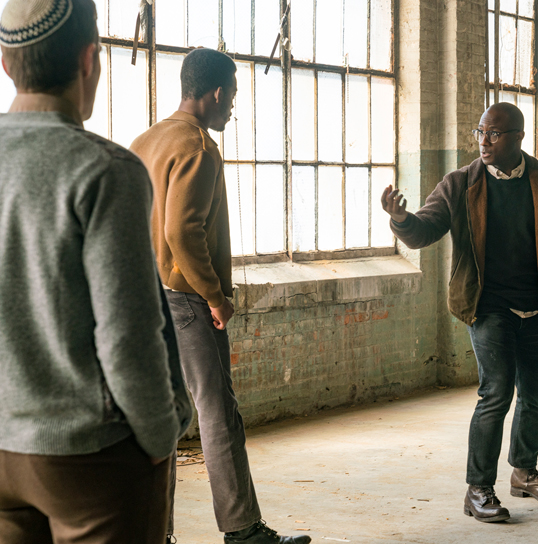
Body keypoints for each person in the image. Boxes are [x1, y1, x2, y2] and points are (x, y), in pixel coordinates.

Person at [381, 102, 538, 523]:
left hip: (537, 304)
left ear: (518, 137)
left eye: (494, 134)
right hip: (487, 306)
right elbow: (425, 229)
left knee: (536, 395)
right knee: (496, 393)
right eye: (480, 132)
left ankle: (523, 471)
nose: (484, 141)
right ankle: (478, 488)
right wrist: (401, 219)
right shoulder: (461, 183)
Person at [0, 0, 192, 542]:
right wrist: (159, 438)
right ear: (90, 59)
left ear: (7, 63)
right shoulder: (105, 171)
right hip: (87, 455)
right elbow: (127, 336)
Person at [130, 48, 309, 544]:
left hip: (145, 301)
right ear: (215, 93)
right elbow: (182, 232)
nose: (232, 106)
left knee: (158, 418)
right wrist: (215, 296)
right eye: (232, 95)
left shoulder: (145, 141)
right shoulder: (198, 148)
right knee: (217, 413)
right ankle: (243, 530)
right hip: (186, 300)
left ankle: (154, 533)